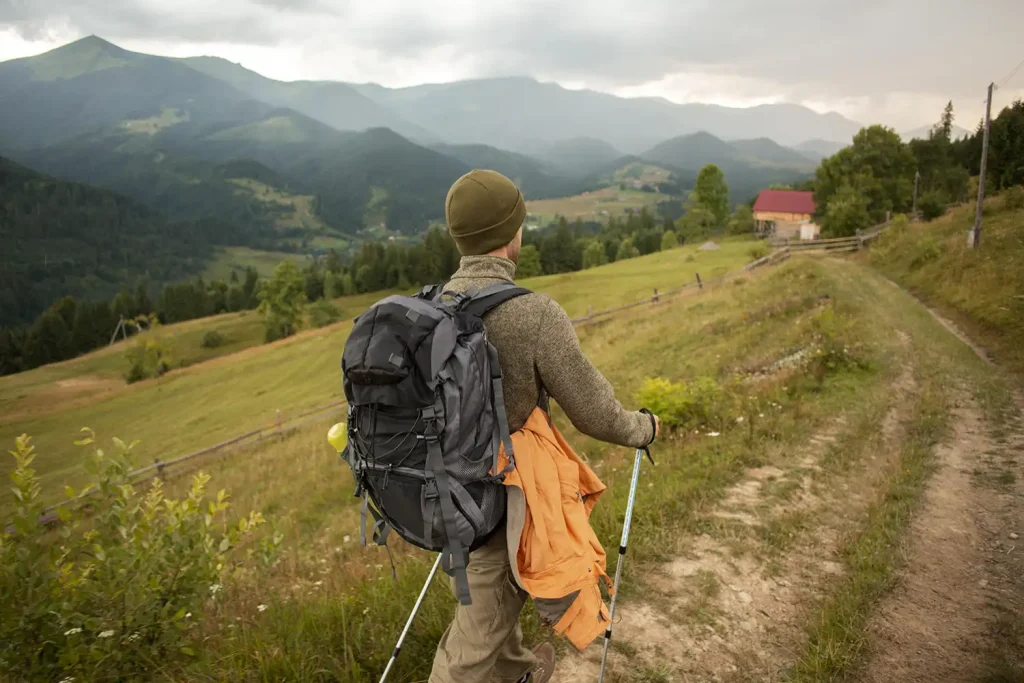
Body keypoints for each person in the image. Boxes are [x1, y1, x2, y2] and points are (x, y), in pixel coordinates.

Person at [428, 169, 659, 683]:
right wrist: (642, 429)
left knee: (487, 599)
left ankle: (517, 673)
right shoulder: (533, 314)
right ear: (512, 234)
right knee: (473, 638)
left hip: (441, 491)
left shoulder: (431, 308)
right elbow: (594, 412)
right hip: (502, 500)